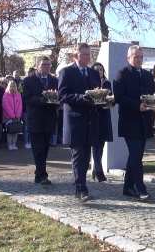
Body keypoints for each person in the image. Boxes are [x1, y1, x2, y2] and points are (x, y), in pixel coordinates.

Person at [58, 43, 101, 202]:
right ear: (75, 56)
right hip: (75, 121)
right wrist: (82, 98)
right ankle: (82, 189)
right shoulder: (67, 72)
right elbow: (62, 96)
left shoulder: (93, 73)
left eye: (89, 54)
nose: (88, 57)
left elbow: (97, 92)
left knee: (86, 157)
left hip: (90, 120)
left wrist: (103, 99)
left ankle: (79, 188)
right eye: (84, 54)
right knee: (77, 156)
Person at [113, 45, 155, 200]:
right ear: (128, 58)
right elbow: (119, 97)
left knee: (135, 156)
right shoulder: (121, 74)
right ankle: (140, 188)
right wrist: (137, 105)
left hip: (144, 122)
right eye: (136, 57)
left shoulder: (147, 75)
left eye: (141, 57)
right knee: (136, 154)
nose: (139, 59)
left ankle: (128, 187)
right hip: (129, 121)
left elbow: (153, 92)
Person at [22, 56, 59, 185]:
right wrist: (41, 100)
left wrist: (56, 101)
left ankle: (39, 175)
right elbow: (26, 98)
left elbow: (58, 96)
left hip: (49, 118)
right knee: (38, 149)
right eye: (44, 65)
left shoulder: (54, 81)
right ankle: (42, 175)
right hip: (35, 119)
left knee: (45, 149)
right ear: (38, 66)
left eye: (48, 65)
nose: (46, 67)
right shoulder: (29, 81)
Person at [90, 62, 113, 182]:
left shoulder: (107, 83)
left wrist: (110, 101)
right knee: (95, 145)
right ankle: (99, 171)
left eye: (101, 69)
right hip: (93, 116)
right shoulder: (90, 82)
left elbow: (110, 97)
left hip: (104, 115)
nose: (99, 71)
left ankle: (95, 168)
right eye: (96, 69)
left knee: (101, 144)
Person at [3, 81, 23, 150]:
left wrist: (17, 114)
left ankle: (14, 143)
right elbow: (6, 106)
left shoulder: (18, 95)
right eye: (11, 86)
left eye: (13, 86)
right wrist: (12, 114)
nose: (12, 87)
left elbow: (20, 105)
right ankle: (9, 144)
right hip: (8, 116)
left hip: (16, 116)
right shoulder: (6, 95)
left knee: (15, 130)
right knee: (10, 131)